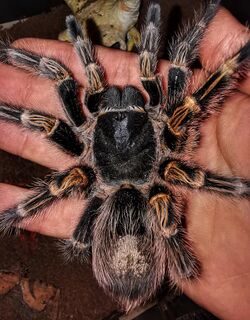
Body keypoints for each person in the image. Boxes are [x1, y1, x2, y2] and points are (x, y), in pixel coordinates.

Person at [0, 6, 249, 320]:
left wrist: (20, 211)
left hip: (125, 205)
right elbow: (187, 79)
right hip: (145, 201)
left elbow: (50, 111)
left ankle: (7, 54)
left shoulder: (84, 162)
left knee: (58, 82)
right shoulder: (170, 137)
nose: (122, 96)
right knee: (189, 99)